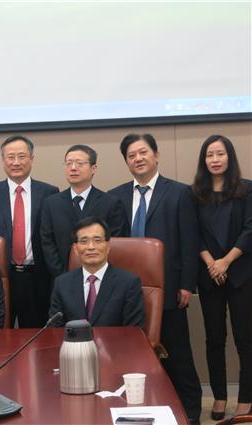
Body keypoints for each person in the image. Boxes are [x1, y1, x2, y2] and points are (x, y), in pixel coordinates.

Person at [109, 133, 202, 423]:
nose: (137, 158)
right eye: (131, 155)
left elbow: (189, 241)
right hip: (128, 291)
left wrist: (186, 284)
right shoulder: (116, 196)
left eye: (143, 152)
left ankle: (190, 414)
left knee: (178, 356)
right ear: (126, 161)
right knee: (132, 357)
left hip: (169, 288)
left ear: (156, 155)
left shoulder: (180, 193)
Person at [191, 135, 252, 419]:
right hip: (209, 275)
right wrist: (211, 263)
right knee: (214, 338)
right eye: (209, 155)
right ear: (203, 160)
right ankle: (219, 396)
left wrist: (225, 262)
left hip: (242, 273)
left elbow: (250, 230)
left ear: (230, 157)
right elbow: (194, 234)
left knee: (245, 338)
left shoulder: (247, 189)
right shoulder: (195, 194)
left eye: (220, 154)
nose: (215, 160)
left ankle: (246, 398)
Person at [0, 135, 58, 327]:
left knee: (37, 335)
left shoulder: (49, 192)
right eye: (10, 157)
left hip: (38, 277)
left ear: (32, 159)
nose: (16, 162)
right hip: (0, 277)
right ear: (3, 160)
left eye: (22, 156)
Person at [41, 144, 128, 278]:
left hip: (101, 278)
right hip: (61, 278)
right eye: (68, 163)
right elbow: (47, 244)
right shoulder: (51, 203)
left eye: (79, 163)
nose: (73, 168)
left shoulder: (111, 203)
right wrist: (64, 276)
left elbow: (114, 244)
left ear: (93, 168)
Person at [49, 217, 145, 327]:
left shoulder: (129, 283)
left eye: (97, 240)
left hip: (114, 339)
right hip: (74, 339)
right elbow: (55, 330)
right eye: (84, 241)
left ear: (108, 246)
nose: (91, 247)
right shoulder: (62, 284)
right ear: (76, 249)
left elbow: (133, 331)